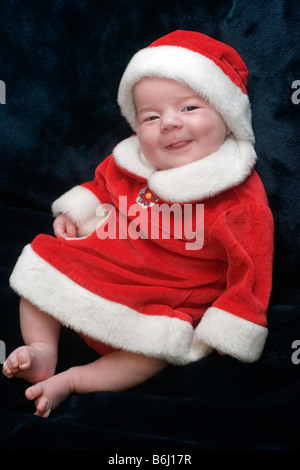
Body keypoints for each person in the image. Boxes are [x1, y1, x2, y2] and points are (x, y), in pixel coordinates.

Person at [3, 30, 274, 418]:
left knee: (160, 348)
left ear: (227, 116)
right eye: (151, 116)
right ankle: (44, 351)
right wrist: (76, 212)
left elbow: (253, 264)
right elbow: (102, 184)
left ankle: (76, 379)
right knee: (42, 263)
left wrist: (235, 320)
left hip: (167, 293)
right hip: (106, 264)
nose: (168, 124)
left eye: (189, 108)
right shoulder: (131, 163)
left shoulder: (234, 191)